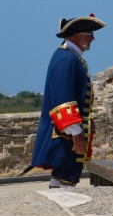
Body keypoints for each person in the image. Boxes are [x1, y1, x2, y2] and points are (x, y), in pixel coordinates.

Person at [31, 14, 106, 188]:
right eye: (89, 33)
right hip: (65, 134)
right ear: (75, 35)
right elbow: (63, 100)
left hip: (66, 131)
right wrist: (76, 132)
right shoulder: (66, 59)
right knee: (67, 177)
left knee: (62, 176)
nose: (93, 38)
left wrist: (86, 121)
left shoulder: (70, 57)